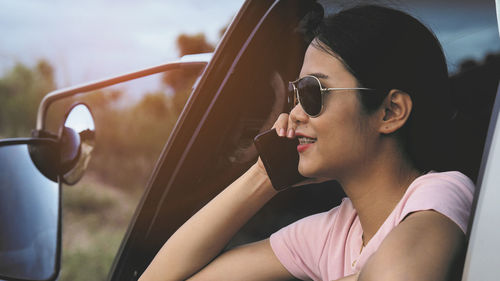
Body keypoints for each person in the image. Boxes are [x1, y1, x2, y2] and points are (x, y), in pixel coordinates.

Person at [139, 3, 474, 281]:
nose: (295, 114)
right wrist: (265, 175)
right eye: (295, 94)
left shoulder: (442, 194)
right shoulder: (333, 235)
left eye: (313, 93)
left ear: (390, 111)